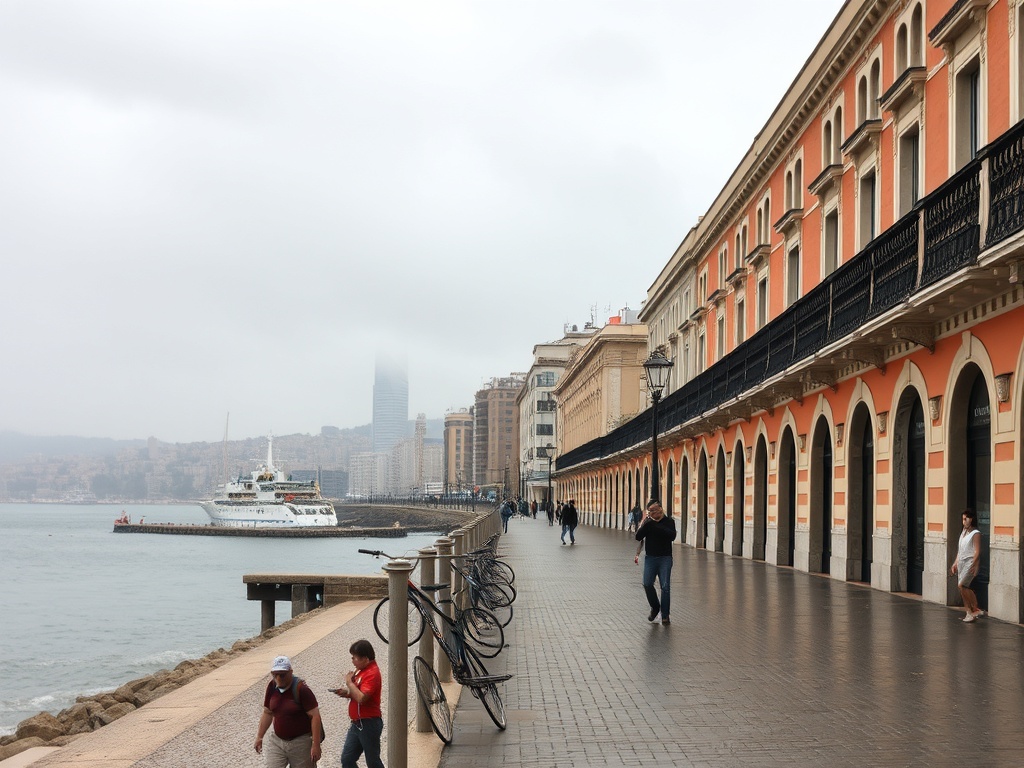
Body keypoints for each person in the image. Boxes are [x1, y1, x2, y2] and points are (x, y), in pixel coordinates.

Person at [254, 655, 322, 768]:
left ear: (291, 672)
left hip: (301, 742)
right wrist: (259, 736)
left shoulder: (302, 689)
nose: (278, 678)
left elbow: (315, 716)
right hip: (277, 741)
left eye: (282, 674)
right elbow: (267, 712)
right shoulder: (271, 686)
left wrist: (315, 745)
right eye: (275, 674)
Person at [334, 639, 385, 768]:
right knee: (347, 759)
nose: (352, 661)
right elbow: (357, 692)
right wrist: (347, 692)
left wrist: (349, 683)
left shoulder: (372, 673)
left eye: (355, 658)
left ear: (365, 659)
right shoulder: (360, 670)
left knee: (373, 761)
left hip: (369, 722)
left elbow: (362, 698)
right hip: (356, 723)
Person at [635, 499, 677, 625]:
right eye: (650, 511)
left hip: (665, 558)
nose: (653, 513)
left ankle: (665, 615)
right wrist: (646, 524)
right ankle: (655, 607)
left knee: (665, 587)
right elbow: (638, 537)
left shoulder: (669, 522)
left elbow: (672, 536)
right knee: (647, 583)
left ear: (660, 509)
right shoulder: (648, 523)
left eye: (654, 510)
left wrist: (657, 526)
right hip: (650, 558)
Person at [951, 508, 984, 623]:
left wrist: (974, 564)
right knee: (962, 589)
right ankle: (969, 613)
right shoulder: (963, 533)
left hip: (970, 562)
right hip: (961, 563)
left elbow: (977, 551)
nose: (964, 521)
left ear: (972, 519)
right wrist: (955, 563)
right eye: (963, 519)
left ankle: (975, 607)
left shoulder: (976, 533)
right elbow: (960, 551)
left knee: (962, 585)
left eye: (966, 519)